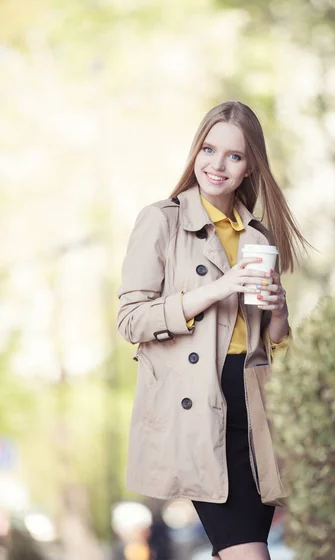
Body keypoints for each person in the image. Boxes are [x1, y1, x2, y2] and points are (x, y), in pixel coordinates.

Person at [117, 101, 309, 560]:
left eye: (234, 156)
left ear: (249, 168)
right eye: (209, 149)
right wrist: (215, 289)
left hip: (257, 417)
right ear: (195, 152)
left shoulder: (257, 238)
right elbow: (131, 320)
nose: (217, 165)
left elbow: (271, 345)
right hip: (200, 415)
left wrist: (279, 314)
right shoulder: (162, 221)